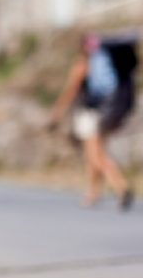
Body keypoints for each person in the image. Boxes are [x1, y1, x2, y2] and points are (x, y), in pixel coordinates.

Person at [49, 33, 136, 211]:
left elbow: (71, 91)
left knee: (96, 155)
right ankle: (93, 193)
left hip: (89, 114)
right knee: (93, 155)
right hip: (108, 110)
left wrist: (57, 112)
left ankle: (121, 186)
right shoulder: (105, 64)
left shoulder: (82, 65)